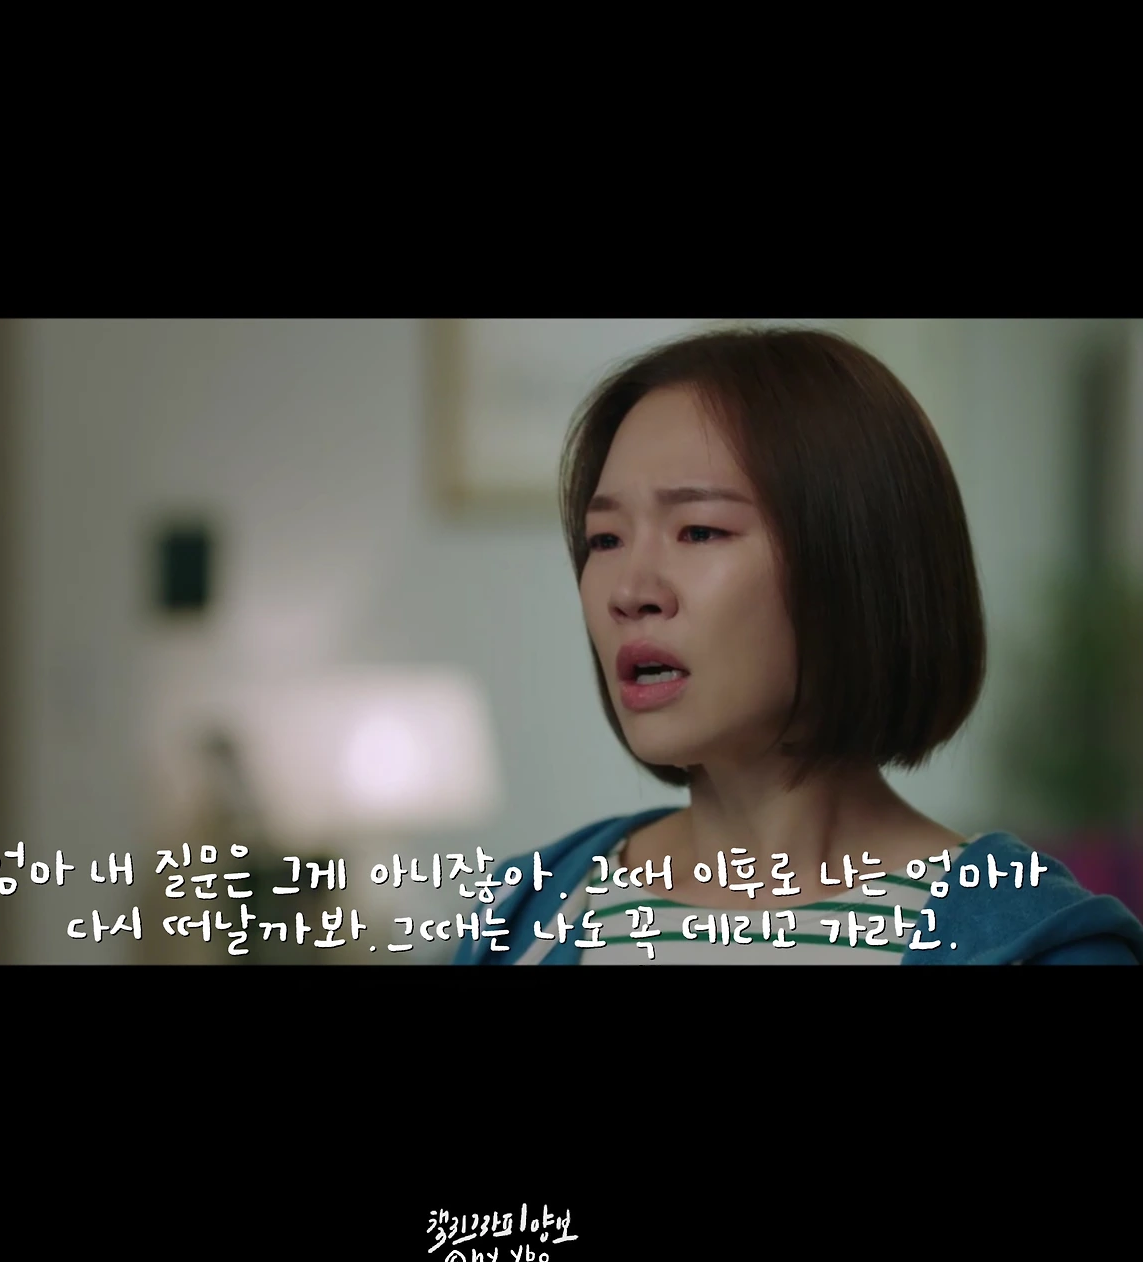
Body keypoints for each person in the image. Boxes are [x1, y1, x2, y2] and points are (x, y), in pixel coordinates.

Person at [456, 326, 1143, 965]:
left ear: (856, 563)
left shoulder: (1035, 942)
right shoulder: (528, 915)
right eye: (605, 539)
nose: (629, 591)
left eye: (699, 531)